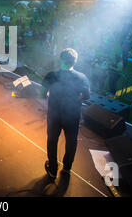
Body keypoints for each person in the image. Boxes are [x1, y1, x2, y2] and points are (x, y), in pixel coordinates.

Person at [41, 48, 90, 179]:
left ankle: (52, 169)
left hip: (54, 116)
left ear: (61, 59)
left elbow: (42, 94)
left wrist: (49, 93)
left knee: (52, 141)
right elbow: (86, 96)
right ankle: (67, 167)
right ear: (75, 61)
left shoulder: (51, 75)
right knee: (71, 142)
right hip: (72, 115)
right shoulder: (82, 77)